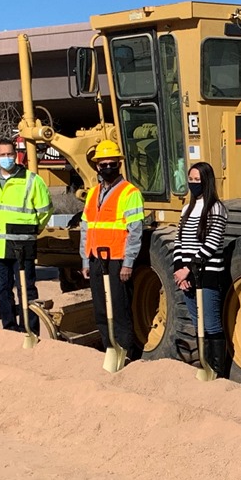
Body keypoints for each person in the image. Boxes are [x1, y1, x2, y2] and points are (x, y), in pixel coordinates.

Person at [79, 139, 145, 359]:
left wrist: (128, 262)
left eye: (112, 163)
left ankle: (126, 352)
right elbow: (86, 228)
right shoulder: (92, 193)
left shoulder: (129, 192)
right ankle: (109, 349)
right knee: (100, 309)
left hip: (117, 259)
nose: (108, 167)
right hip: (96, 258)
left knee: (120, 309)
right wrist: (85, 260)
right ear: (97, 166)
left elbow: (135, 231)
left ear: (119, 164)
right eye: (103, 163)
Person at [0, 137, 53, 333]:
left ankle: (30, 330)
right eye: (2, 155)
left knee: (26, 291)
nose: (6, 158)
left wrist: (33, 230)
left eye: (10, 154)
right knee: (2, 291)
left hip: (22, 247)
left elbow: (45, 210)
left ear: (16, 155)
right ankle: (9, 329)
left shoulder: (31, 180)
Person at [172, 162, 229, 373]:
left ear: (207, 181)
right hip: (187, 275)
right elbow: (178, 241)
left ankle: (217, 370)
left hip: (208, 274)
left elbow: (211, 243)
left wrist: (190, 268)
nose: (193, 183)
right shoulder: (186, 209)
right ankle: (204, 364)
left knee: (211, 323)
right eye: (191, 179)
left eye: (198, 180)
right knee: (197, 323)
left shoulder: (217, 208)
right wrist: (180, 269)